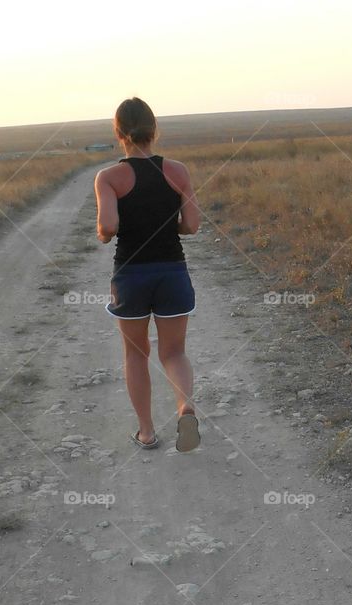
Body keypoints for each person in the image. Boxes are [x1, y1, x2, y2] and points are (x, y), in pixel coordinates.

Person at [94, 97, 202, 452]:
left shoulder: (109, 177)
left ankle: (146, 433)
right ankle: (185, 406)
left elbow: (108, 225)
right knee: (173, 352)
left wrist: (104, 232)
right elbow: (193, 225)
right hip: (172, 270)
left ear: (118, 133)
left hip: (131, 274)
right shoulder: (178, 171)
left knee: (135, 354)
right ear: (154, 131)